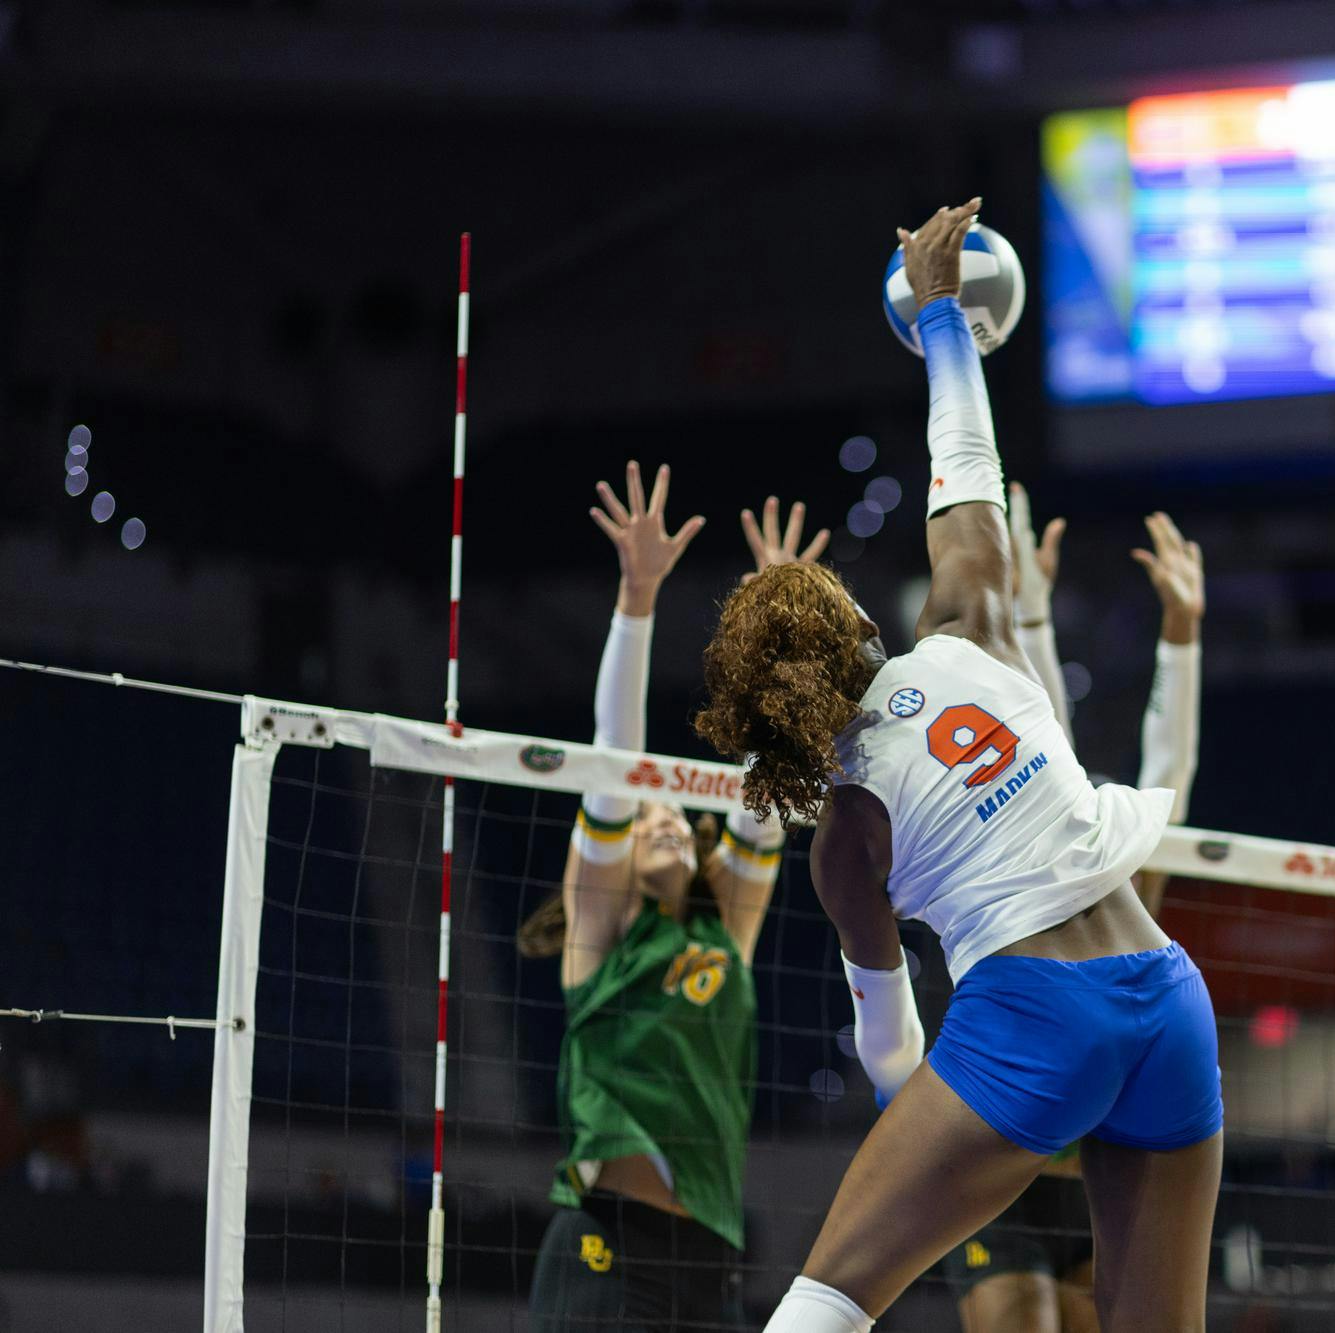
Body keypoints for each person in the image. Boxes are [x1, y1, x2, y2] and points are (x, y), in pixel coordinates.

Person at [695, 198, 1223, 1333]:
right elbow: (964, 458)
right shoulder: (969, 620)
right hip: (1169, 998)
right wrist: (941, 318)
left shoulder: (844, 840)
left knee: (826, 1300)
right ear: (845, 619)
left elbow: (890, 1051)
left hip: (1031, 1024)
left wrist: (948, 1130)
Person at [520, 466, 827, 1331]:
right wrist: (638, 595)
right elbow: (616, 761)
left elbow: (772, 785)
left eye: (677, 811)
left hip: (712, 1252)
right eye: (646, 810)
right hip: (607, 1243)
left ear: (696, 841)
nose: (660, 815)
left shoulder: (729, 926)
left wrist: (778, 620)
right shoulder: (604, 929)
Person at [946, 486, 1206, 1333]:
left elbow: (1169, 771)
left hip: (1092, 1179)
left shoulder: (1132, 897)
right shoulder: (1014, 872)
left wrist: (1182, 637)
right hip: (997, 1169)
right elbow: (1038, 730)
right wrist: (1027, 613)